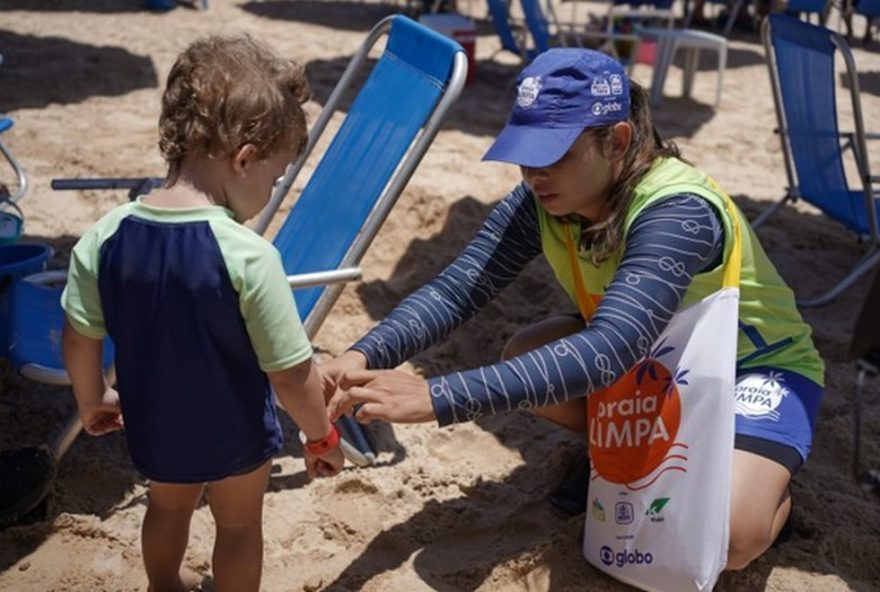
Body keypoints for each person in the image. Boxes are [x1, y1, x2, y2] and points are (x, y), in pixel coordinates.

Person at [325, 48, 824, 571]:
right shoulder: (545, 198)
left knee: (731, 538)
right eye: (525, 154)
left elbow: (611, 347)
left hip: (752, 370)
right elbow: (459, 290)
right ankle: (634, 456)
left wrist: (439, 396)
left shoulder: (678, 210)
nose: (535, 174)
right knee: (528, 350)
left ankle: (764, 490)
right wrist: (364, 353)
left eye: (556, 153)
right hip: (656, 365)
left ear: (620, 140)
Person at [61, 34, 344, 592]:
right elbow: (290, 372)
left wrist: (92, 399)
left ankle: (164, 583)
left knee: (166, 509)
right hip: (233, 428)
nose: (273, 188)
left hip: (154, 423)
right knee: (238, 524)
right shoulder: (248, 255)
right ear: (244, 159)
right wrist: (320, 435)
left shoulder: (105, 234)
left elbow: (78, 336)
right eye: (276, 175)